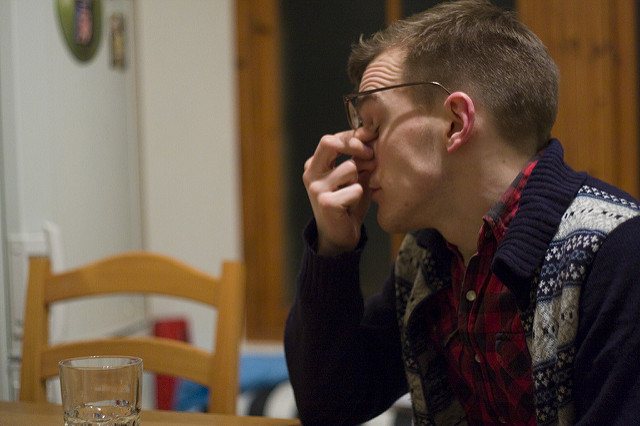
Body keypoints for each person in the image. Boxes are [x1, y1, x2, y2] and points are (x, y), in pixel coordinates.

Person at [283, 0, 640, 425]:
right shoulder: (430, 256)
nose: (356, 151)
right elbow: (328, 406)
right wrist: (332, 248)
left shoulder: (617, 253)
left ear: (455, 122)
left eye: (374, 125)